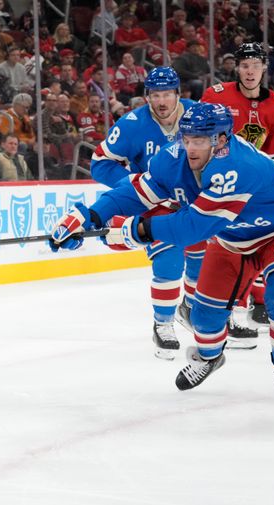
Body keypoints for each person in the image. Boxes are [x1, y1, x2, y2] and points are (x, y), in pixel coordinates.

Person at [48, 102, 274, 405]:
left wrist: (140, 230)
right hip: (231, 239)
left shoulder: (239, 167)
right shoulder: (173, 157)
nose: (190, 148)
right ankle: (209, 357)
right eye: (187, 139)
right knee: (203, 318)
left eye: (199, 140)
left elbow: (192, 228)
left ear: (221, 140)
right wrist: (90, 216)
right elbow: (137, 192)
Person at [90, 66, 199, 360]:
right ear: (147, 96)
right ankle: (163, 324)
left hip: (195, 201)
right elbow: (100, 163)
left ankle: (189, 307)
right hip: (155, 203)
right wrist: (135, 184)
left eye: (167, 94)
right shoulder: (132, 124)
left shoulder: (197, 114)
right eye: (155, 95)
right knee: (169, 259)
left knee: (202, 260)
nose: (161, 101)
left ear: (178, 94)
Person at [201, 42, 274, 327]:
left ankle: (256, 302)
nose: (250, 71)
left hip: (258, 187)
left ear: (265, 68)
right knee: (220, 248)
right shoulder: (216, 96)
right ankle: (213, 306)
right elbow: (199, 141)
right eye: (245, 66)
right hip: (221, 183)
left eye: (256, 65)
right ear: (237, 69)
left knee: (261, 240)